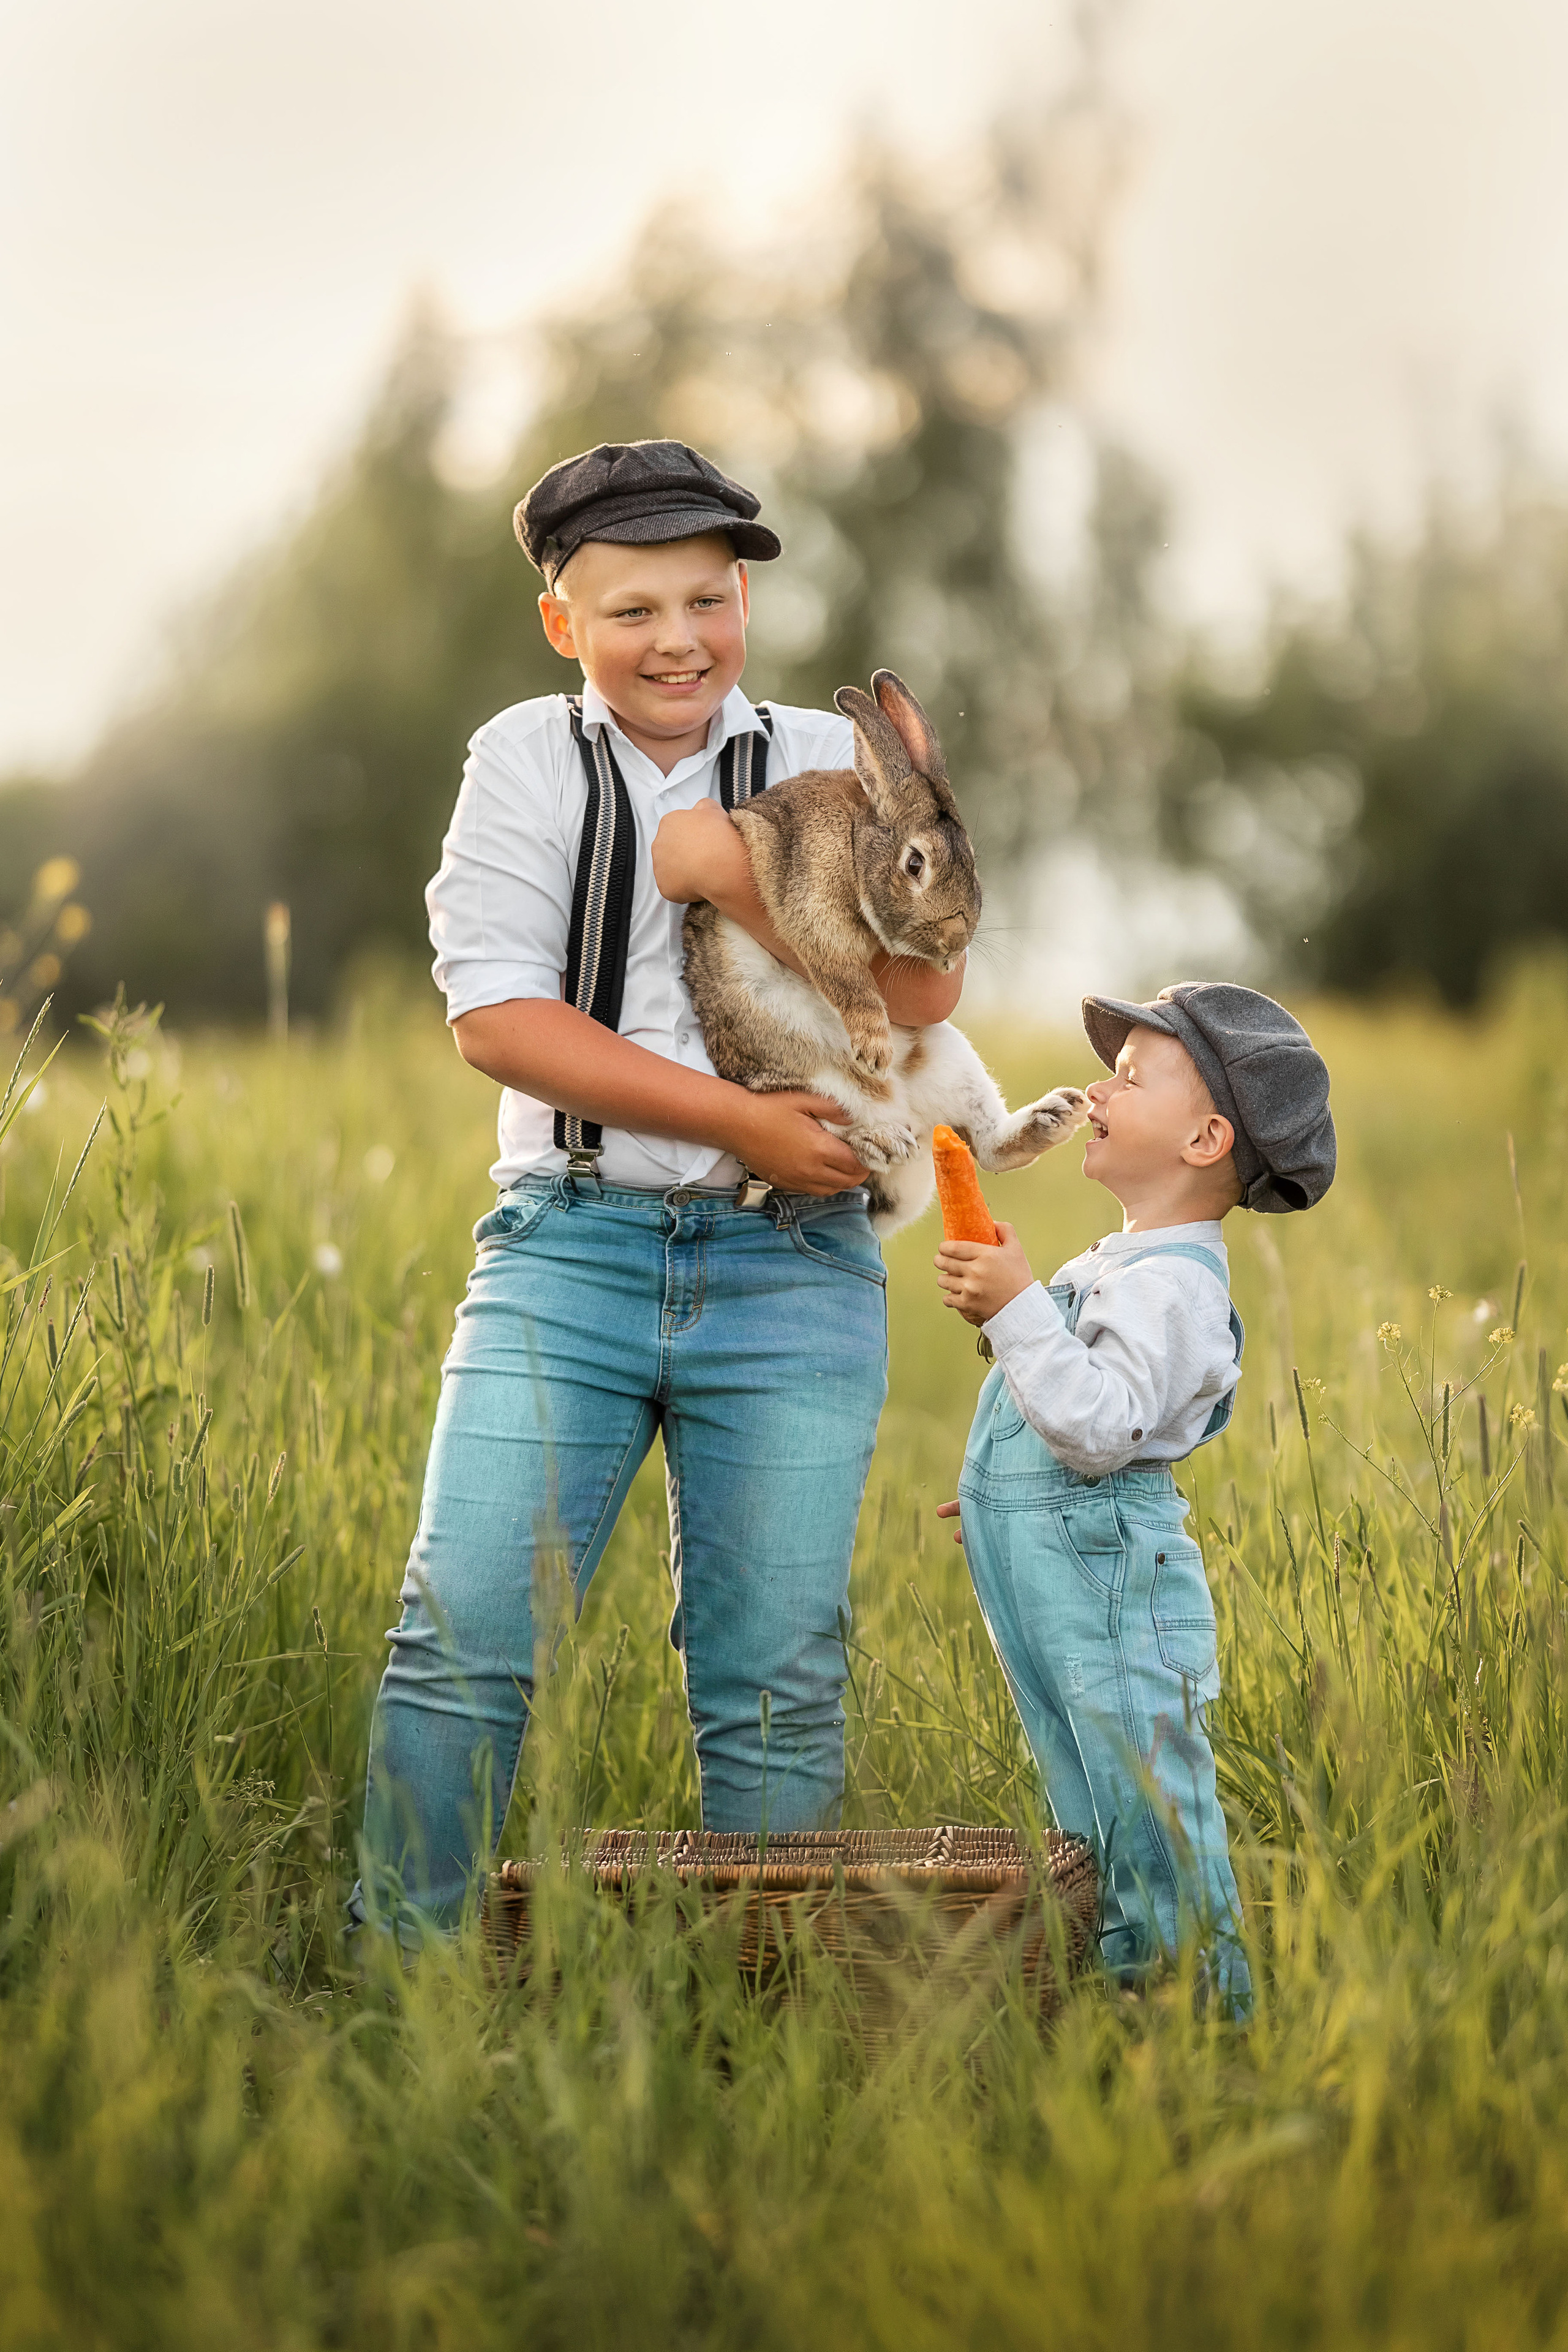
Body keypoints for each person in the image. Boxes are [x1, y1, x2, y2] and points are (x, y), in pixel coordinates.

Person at [352, 439, 962, 1934]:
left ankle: (768, 2017)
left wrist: (734, 877)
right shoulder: (524, 760)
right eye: (631, 610)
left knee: (776, 1677)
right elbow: (497, 1017)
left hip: (796, 1263)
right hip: (572, 1245)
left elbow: (924, 983)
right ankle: (401, 1990)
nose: (677, 638)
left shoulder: (820, 779)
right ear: (563, 621)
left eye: (706, 597)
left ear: (743, 595)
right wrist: (737, 1121)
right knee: (463, 1634)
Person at [933, 983, 1336, 2009]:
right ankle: (1127, 1989)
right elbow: (1071, 1411)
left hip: (1110, 1572)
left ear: (1205, 1138)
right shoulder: (1124, 1261)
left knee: (1143, 1801)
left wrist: (1019, 1306)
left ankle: (1203, 2010)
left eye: (1129, 1078)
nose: (1096, 1091)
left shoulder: (1177, 1288)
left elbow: (1105, 1428)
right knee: (1084, 1802)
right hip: (1057, 1562)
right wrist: (1004, 1478)